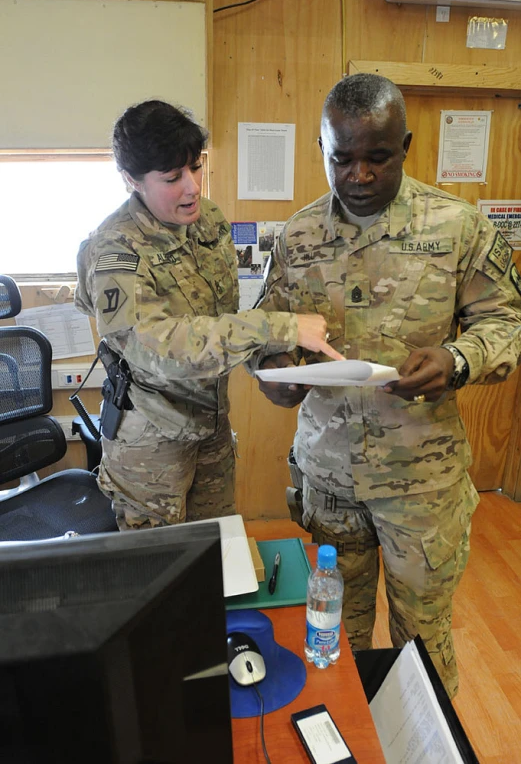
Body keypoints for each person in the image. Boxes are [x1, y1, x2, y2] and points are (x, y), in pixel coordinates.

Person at [250, 73, 521, 698]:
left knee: (420, 644)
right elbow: (268, 330)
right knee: (333, 639)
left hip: (422, 484)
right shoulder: (297, 236)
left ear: (406, 145)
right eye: (341, 158)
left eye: (377, 157)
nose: (359, 175)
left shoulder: (458, 227)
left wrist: (457, 359)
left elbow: (507, 322)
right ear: (322, 149)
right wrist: (277, 374)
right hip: (328, 480)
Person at [75, 100, 342, 531]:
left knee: (218, 555)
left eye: (196, 168)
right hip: (151, 437)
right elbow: (157, 348)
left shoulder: (208, 221)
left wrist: (268, 360)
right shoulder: (115, 250)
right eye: (172, 178)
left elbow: (222, 317)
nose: (192, 187)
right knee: (159, 572)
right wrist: (280, 327)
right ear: (131, 180)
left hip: (212, 423)